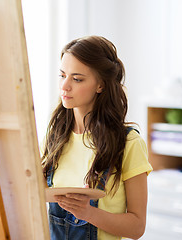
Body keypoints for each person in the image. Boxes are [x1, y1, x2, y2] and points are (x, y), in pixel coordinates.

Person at [41, 36, 153, 240]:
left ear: (100, 85)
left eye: (77, 79)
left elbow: (137, 227)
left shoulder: (128, 143)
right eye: (62, 75)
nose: (64, 86)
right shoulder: (54, 137)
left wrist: (88, 213)